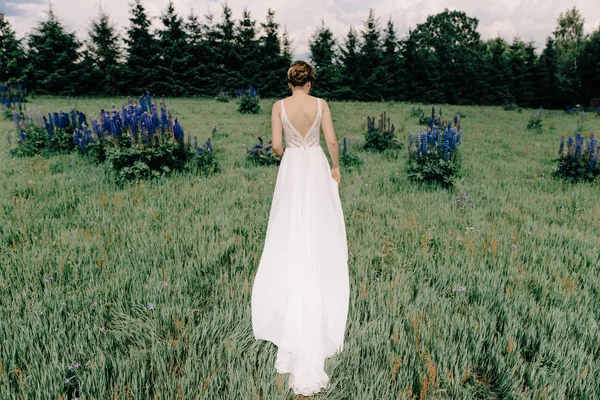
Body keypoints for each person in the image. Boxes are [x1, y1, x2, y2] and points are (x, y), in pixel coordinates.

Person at [251, 61, 350, 396]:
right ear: (310, 82)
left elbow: (277, 147)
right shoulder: (321, 105)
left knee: (289, 226)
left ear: (290, 81)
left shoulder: (279, 106)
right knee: (318, 223)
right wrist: (334, 165)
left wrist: (292, 149)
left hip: (293, 166)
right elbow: (332, 141)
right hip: (315, 165)